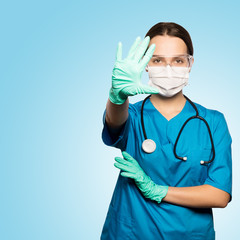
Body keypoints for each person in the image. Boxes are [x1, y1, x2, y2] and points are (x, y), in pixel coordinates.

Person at [100, 22, 232, 240]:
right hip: (131, 233)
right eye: (158, 60)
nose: (168, 69)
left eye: (178, 60)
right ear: (145, 65)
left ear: (190, 64)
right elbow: (114, 121)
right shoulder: (131, 115)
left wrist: (157, 190)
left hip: (190, 234)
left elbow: (219, 195)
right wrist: (117, 95)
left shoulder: (212, 121)